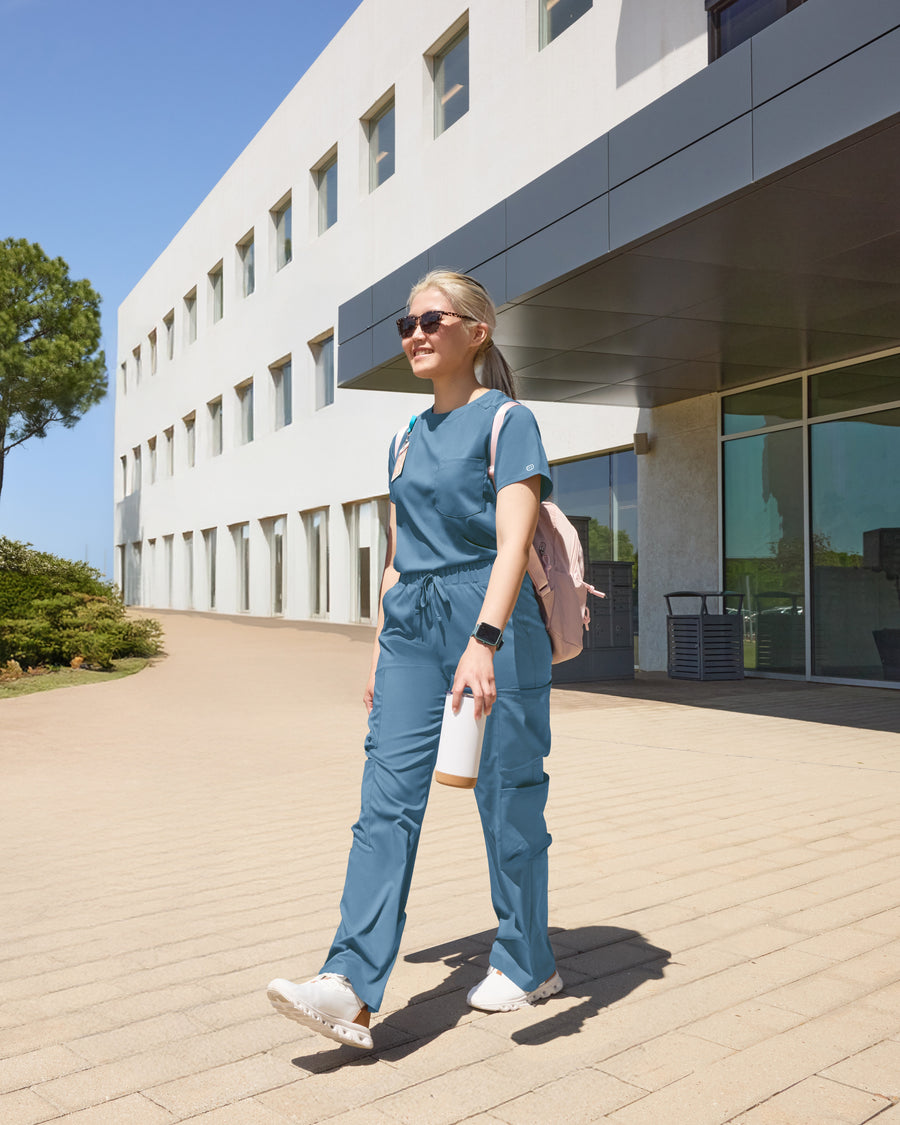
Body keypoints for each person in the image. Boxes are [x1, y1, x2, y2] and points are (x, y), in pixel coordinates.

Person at [267, 270, 562, 1050]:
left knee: (506, 795)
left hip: (488, 619)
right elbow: (399, 555)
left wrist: (485, 640)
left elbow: (513, 543)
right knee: (384, 801)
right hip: (410, 626)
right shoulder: (402, 436)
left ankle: (529, 958)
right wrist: (378, 650)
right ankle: (349, 986)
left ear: (477, 330)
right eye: (406, 324)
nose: (415, 334)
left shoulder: (509, 422)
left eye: (433, 319)